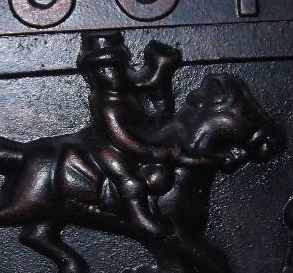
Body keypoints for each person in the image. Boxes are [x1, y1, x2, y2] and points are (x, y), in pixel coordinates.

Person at [76, 31, 214, 239]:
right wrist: (154, 152)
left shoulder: (125, 87)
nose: (111, 74)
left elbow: (151, 81)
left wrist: (162, 66)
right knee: (130, 180)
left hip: (139, 136)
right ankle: (139, 218)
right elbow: (122, 139)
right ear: (93, 76)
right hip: (106, 147)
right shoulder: (106, 103)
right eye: (102, 70)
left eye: (116, 67)